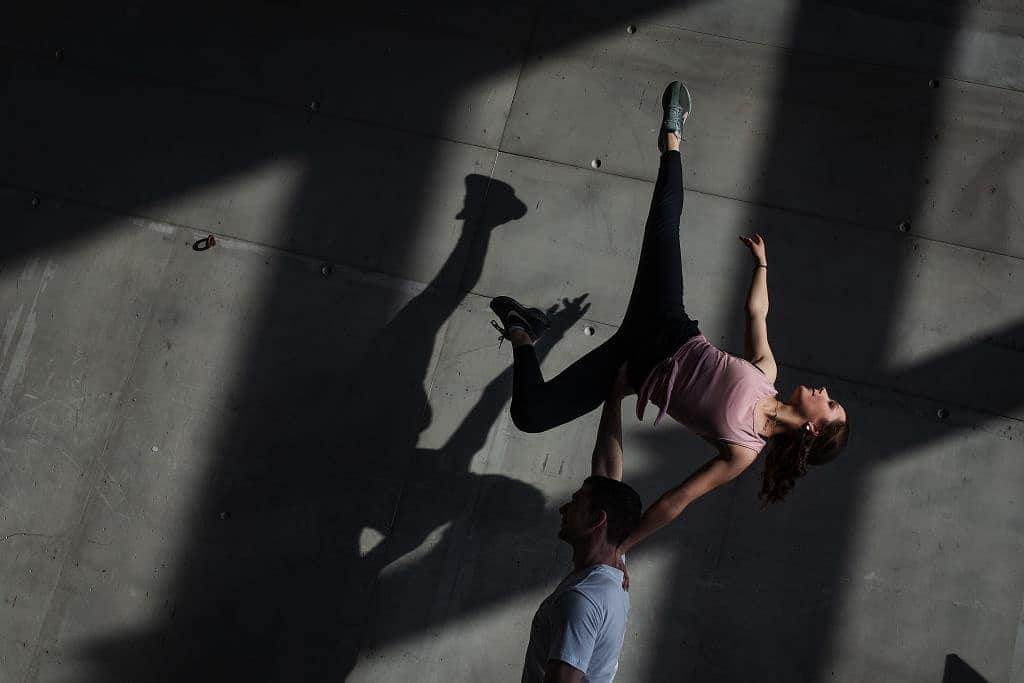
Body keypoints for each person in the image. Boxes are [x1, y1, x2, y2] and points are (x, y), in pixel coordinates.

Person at [490, 81, 851, 563]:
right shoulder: (767, 375)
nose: (825, 393)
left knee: (531, 416)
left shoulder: (742, 451)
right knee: (663, 225)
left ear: (812, 429)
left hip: (631, 369)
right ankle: (673, 135)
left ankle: (523, 329)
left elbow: (677, 500)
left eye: (830, 405)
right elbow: (755, 312)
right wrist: (762, 265)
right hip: (666, 322)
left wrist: (621, 548)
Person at [521, 389, 642, 683]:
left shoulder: (583, 600)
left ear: (597, 520)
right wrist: (613, 397)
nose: (563, 508)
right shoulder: (613, 564)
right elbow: (607, 473)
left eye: (574, 503)